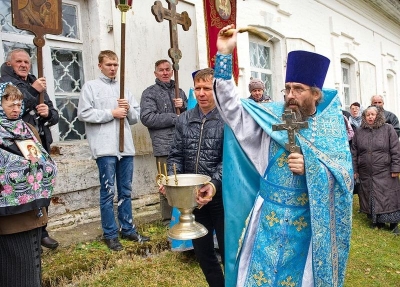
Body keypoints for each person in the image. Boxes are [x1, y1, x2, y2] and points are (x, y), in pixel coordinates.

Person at [214, 24, 353, 287]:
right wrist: (224, 56)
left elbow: (345, 178)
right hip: (266, 217)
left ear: (315, 93)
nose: (290, 95)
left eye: (298, 89)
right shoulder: (271, 116)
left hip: (306, 224)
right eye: (287, 87)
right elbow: (232, 110)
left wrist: (311, 166)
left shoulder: (330, 128)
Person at [78, 50, 149, 251]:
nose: (112, 68)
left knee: (125, 191)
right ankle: (110, 233)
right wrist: (112, 113)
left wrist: (129, 110)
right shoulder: (91, 87)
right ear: (100, 65)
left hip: (125, 147)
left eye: (115, 65)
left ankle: (128, 228)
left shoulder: (124, 89)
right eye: (109, 64)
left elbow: (135, 118)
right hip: (105, 147)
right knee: (108, 191)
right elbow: (83, 113)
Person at [160, 68, 225, 287]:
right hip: (193, 200)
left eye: (207, 88)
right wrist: (172, 182)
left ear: (216, 90)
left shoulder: (227, 119)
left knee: (228, 252)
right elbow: (176, 154)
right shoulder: (184, 119)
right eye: (198, 88)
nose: (202, 93)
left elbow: (229, 161)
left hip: (221, 197)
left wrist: (213, 183)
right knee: (203, 252)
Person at [0, 48, 60, 249]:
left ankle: (42, 229)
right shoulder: (5, 82)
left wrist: (48, 113)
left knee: (41, 182)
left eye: (27, 61)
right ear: (10, 63)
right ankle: (26, 233)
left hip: (37, 139)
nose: (24, 65)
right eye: (19, 61)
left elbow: (54, 113)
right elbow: (14, 107)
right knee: (24, 186)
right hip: (14, 145)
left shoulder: (34, 81)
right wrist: (34, 90)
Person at [0, 83, 57, 286]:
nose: (16, 109)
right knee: (15, 269)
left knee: (32, 267)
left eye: (19, 104)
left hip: (34, 211)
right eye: (10, 104)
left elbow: (41, 158)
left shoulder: (28, 128)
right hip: (9, 217)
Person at [140, 59, 187, 226]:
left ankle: (184, 214)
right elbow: (147, 118)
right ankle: (168, 219)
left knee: (184, 181)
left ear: (172, 71)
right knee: (166, 182)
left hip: (183, 143)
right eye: (161, 70)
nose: (165, 72)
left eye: (168, 69)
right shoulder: (150, 93)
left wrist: (184, 106)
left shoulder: (179, 91)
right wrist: (175, 117)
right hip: (163, 145)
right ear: (156, 73)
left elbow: (189, 117)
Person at [351, 106, 400, 234]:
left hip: (385, 170)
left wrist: (396, 167)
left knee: (389, 196)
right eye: (368, 115)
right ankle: (377, 222)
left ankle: (393, 224)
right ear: (364, 117)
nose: (370, 117)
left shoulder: (388, 129)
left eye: (373, 114)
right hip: (367, 172)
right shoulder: (360, 132)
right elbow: (354, 153)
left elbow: (395, 150)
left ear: (378, 116)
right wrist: (355, 170)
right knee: (371, 195)